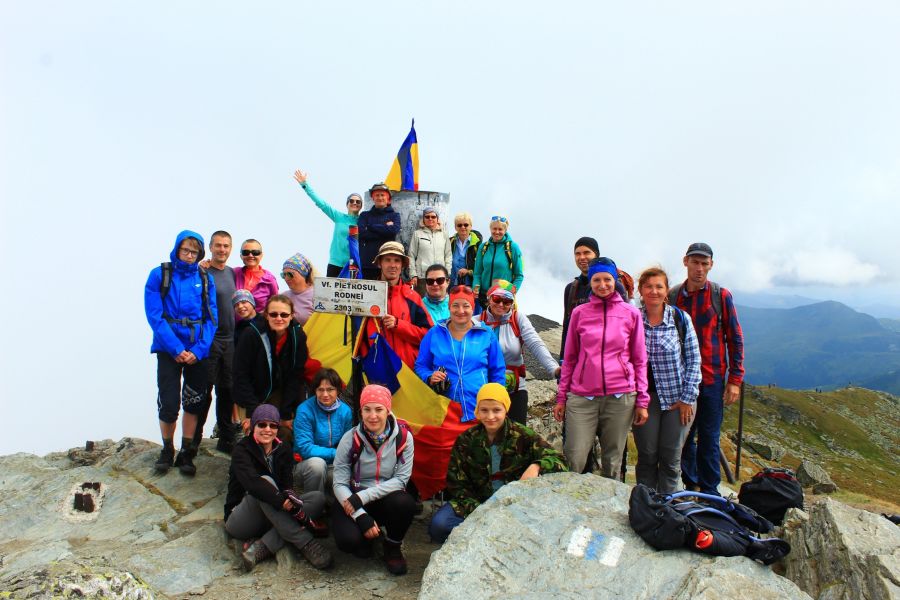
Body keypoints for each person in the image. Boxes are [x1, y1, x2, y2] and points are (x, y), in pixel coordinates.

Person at [429, 383, 568, 543]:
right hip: (475, 505)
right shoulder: (466, 439)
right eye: (484, 410)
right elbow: (456, 484)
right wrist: (482, 510)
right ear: (477, 411)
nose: (490, 416)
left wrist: (536, 466)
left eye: (496, 410)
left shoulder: (523, 436)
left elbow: (560, 460)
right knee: (439, 526)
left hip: (515, 506)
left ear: (506, 409)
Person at [553, 257, 649, 478]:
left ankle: (610, 510)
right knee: (574, 455)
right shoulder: (580, 313)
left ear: (615, 280)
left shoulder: (630, 313)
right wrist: (561, 398)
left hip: (621, 396)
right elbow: (570, 359)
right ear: (591, 281)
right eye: (597, 279)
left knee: (613, 460)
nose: (602, 284)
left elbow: (639, 359)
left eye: (608, 279)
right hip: (582, 396)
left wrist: (642, 400)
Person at [413, 285, 505, 499]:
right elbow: (420, 366)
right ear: (449, 306)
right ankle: (452, 504)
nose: (461, 310)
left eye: (466, 305)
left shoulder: (486, 334)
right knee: (450, 462)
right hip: (447, 410)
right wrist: (430, 376)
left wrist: (496, 403)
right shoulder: (434, 333)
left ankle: (482, 502)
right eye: (455, 305)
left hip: (479, 410)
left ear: (472, 307)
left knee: (480, 461)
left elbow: (497, 371)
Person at [668, 243, 744, 495]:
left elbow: (735, 338)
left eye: (704, 263)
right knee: (686, 438)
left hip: (711, 380)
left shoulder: (720, 296)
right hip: (683, 381)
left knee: (709, 439)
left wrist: (734, 379)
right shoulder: (675, 296)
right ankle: (691, 485)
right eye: (695, 262)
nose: (699, 268)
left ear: (711, 265)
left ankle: (710, 492)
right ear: (685, 262)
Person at [224, 405, 333, 571]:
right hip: (242, 518)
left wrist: (289, 499)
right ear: (254, 426)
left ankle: (261, 547)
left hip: (272, 515)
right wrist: (282, 501)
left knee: (318, 499)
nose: (267, 429)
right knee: (265, 481)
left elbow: (286, 485)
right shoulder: (242, 450)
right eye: (262, 425)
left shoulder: (283, 449)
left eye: (273, 425)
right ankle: (306, 543)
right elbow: (252, 484)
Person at [144, 230, 218, 476]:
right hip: (168, 349)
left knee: (194, 402)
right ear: (177, 249)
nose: (189, 255)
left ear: (200, 254)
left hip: (197, 349)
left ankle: (187, 452)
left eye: (194, 252)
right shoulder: (160, 275)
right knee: (169, 401)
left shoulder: (205, 279)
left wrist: (198, 350)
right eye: (185, 250)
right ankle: (167, 449)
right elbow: (155, 316)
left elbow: (211, 318)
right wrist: (176, 348)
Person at [332, 385, 416, 576]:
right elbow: (339, 483)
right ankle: (370, 536)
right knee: (349, 543)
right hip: (352, 496)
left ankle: (392, 546)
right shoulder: (350, 438)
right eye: (367, 409)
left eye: (379, 409)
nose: (373, 416)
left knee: (405, 503)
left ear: (388, 410)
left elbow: (402, 479)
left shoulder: (404, 438)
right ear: (360, 411)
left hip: (381, 497)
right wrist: (360, 516)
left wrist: (363, 497)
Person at [633, 267, 702, 494]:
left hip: (678, 399)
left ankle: (670, 508)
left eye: (659, 286)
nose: (654, 291)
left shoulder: (681, 320)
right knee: (647, 456)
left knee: (671, 458)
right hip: (645, 400)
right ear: (641, 291)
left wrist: (687, 399)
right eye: (648, 286)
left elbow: (693, 360)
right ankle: (645, 503)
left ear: (666, 290)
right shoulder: (633, 319)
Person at [474, 280, 560, 424]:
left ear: (512, 303)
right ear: (489, 299)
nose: (501, 304)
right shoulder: (475, 322)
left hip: (515, 389)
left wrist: (554, 368)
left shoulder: (518, 319)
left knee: (516, 437)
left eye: (507, 301)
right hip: (483, 387)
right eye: (497, 299)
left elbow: (535, 343)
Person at [233, 294, 309, 447]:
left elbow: (296, 375)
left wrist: (286, 414)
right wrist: (251, 412)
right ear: (266, 315)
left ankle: (281, 468)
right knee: (255, 434)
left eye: (284, 315)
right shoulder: (251, 334)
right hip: (252, 392)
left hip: (279, 391)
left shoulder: (298, 336)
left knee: (284, 434)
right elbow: (240, 376)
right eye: (273, 314)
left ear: (292, 316)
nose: (279, 318)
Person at [196, 230, 237, 453]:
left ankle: (226, 437)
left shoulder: (232, 273)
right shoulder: (201, 271)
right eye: (218, 245)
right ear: (210, 247)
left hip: (231, 341)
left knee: (227, 390)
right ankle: (194, 438)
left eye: (226, 246)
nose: (222, 249)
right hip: (208, 340)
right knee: (204, 390)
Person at [362, 241, 433, 368]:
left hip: (407, 373)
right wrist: (368, 363)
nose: (392, 265)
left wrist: (398, 325)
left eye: (397, 260)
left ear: (402, 265)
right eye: (387, 260)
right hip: (376, 374)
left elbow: (429, 336)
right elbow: (359, 336)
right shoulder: (366, 295)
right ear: (380, 264)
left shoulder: (412, 297)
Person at [561, 237, 632, 357]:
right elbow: (567, 327)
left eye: (587, 252)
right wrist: (563, 358)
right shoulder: (571, 288)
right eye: (577, 254)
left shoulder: (615, 286)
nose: (582, 257)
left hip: (611, 359)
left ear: (596, 255)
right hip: (580, 357)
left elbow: (626, 326)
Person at [292, 368, 353, 497]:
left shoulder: (345, 411)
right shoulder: (304, 410)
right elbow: (305, 448)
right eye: (320, 390)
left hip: (333, 463)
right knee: (317, 465)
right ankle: (309, 503)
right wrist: (335, 453)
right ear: (315, 391)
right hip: (307, 464)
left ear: (338, 390)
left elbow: (347, 443)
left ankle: (328, 507)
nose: (325, 394)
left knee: (337, 475)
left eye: (330, 389)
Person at [294, 169, 361, 277]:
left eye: (358, 202)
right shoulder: (338, 217)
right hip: (335, 263)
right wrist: (305, 185)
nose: (355, 203)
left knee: (351, 294)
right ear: (347, 204)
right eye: (351, 201)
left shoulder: (363, 221)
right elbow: (321, 203)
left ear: (361, 206)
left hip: (353, 265)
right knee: (330, 293)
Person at [472, 215, 524, 308]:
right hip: (484, 297)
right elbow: (477, 273)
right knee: (485, 322)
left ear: (505, 230)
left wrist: (511, 293)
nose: (497, 232)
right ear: (490, 229)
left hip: (502, 298)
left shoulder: (512, 248)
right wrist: (476, 287)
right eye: (494, 229)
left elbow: (519, 275)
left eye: (500, 229)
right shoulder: (484, 247)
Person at [357, 183, 401, 280]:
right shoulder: (364, 215)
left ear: (388, 198)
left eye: (382, 195)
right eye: (377, 195)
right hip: (367, 264)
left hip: (387, 265)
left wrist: (370, 227)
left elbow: (393, 230)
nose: (380, 198)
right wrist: (385, 229)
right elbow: (362, 233)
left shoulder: (395, 215)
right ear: (372, 198)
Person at [408, 207, 452, 296]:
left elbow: (448, 255)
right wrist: (413, 275)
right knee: (423, 306)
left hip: (440, 277)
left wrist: (447, 273)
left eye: (433, 216)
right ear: (423, 219)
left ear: (437, 219)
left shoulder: (444, 234)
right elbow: (411, 255)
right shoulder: (417, 234)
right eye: (427, 217)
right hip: (422, 278)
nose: (430, 219)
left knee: (439, 303)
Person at [234, 239, 279, 316]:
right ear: (241, 256)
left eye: (255, 253)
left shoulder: (270, 280)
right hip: (233, 326)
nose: (250, 255)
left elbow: (275, 306)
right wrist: (207, 264)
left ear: (261, 255)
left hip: (258, 326)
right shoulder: (233, 273)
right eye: (246, 252)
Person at [281, 252, 315, 326]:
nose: (286, 278)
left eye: (290, 274)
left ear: (303, 274)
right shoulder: (283, 296)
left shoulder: (317, 295)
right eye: (283, 275)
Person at [449, 212, 482, 287]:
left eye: (466, 225)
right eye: (459, 225)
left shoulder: (478, 244)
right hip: (452, 284)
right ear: (455, 227)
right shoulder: (450, 242)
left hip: (470, 285)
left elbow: (481, 267)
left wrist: (468, 271)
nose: (463, 227)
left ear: (471, 226)